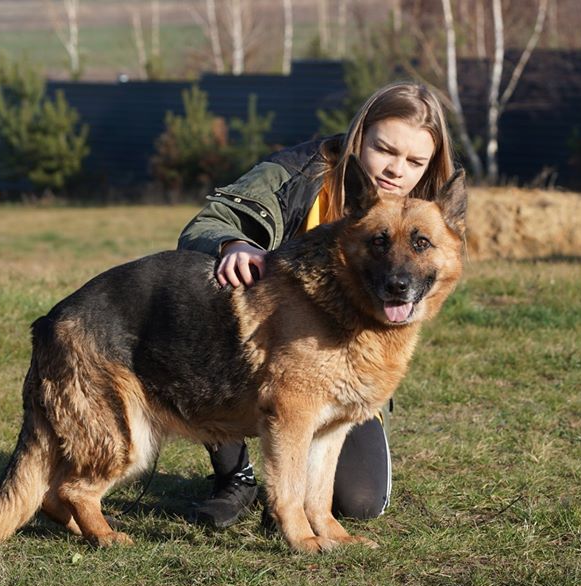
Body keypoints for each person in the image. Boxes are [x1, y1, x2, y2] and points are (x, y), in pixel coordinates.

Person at [176, 81, 457, 529]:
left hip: (344, 368)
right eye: (385, 149)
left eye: (415, 161)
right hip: (261, 340)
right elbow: (208, 222)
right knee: (210, 319)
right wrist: (233, 242)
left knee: (362, 501)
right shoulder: (295, 172)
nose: (397, 169)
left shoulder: (433, 207)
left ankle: (299, 489)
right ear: (358, 135)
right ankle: (237, 474)